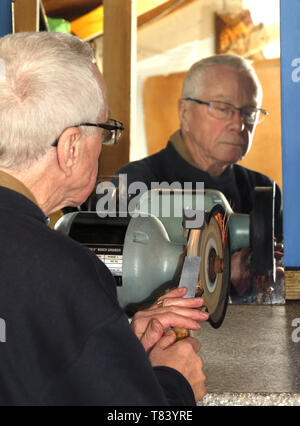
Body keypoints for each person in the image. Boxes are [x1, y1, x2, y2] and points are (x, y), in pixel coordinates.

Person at [0, 32, 209, 405]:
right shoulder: (62, 271)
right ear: (71, 148)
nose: (104, 146)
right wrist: (174, 383)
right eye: (105, 128)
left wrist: (116, 345)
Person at [114, 54, 283, 299]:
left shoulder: (264, 190)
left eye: (249, 112)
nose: (238, 124)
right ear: (184, 111)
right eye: (224, 108)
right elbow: (122, 291)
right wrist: (221, 277)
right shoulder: (137, 183)